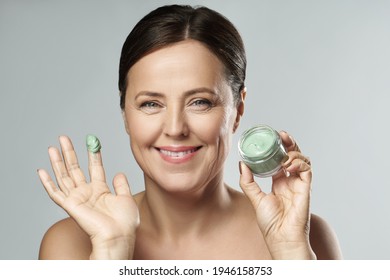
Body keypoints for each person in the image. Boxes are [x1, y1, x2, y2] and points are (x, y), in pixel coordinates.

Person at [37, 4, 342, 260]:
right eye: (151, 104)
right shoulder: (71, 246)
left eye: (200, 102)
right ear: (125, 114)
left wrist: (291, 254)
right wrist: (111, 255)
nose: (174, 129)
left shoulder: (307, 237)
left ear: (238, 109)